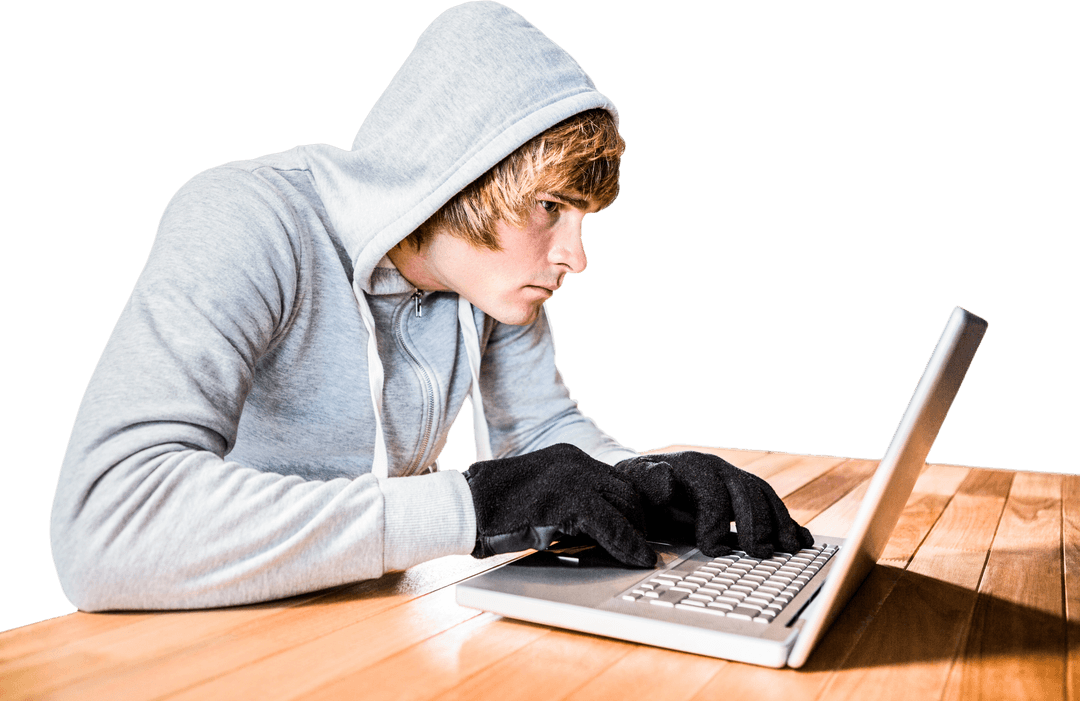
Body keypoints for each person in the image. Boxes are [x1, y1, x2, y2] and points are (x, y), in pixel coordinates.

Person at [50, 1, 811, 612]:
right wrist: (470, 508)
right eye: (551, 205)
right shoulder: (246, 220)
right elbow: (105, 527)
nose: (576, 257)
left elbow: (543, 445)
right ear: (459, 172)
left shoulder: (482, 285)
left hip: (369, 627)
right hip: (198, 640)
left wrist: (651, 479)